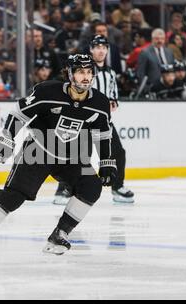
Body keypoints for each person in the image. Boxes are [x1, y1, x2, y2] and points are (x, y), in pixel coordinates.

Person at [0, 54, 118, 256]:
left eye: (89, 72)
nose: (85, 77)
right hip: (38, 151)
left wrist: (107, 162)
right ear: (70, 74)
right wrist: (6, 139)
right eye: (80, 72)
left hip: (70, 157)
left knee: (91, 187)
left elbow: (103, 133)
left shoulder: (100, 103)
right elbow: (19, 113)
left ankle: (59, 234)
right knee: (13, 197)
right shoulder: (47, 91)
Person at [54, 35, 134, 205]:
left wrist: (112, 102)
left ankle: (117, 186)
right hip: (83, 121)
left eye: (104, 47)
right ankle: (65, 188)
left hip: (103, 121)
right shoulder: (83, 69)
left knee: (118, 152)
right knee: (78, 155)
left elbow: (113, 96)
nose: (101, 50)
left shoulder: (111, 73)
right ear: (91, 49)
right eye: (97, 47)